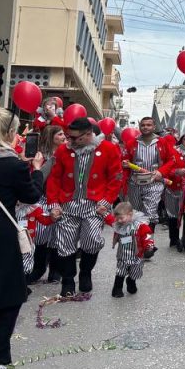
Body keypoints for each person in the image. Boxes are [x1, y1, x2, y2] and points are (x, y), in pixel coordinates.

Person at [0, 108, 46, 369]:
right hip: (0, 235)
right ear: (5, 131)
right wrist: (36, 171)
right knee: (9, 297)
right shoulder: (13, 165)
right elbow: (32, 196)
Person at [47, 116, 124, 297]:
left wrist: (106, 201)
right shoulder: (63, 151)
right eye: (68, 137)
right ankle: (67, 279)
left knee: (92, 242)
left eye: (74, 138)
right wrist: (54, 203)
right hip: (67, 204)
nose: (69, 141)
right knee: (64, 244)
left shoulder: (108, 149)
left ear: (88, 134)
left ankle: (85, 272)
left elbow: (116, 178)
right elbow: (54, 178)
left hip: (94, 205)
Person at [121, 116, 180, 244]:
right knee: (136, 212)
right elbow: (124, 159)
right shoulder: (132, 142)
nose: (146, 127)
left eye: (149, 125)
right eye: (143, 125)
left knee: (149, 212)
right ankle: (136, 241)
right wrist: (125, 163)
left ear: (154, 127)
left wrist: (161, 171)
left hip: (154, 181)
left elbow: (172, 160)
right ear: (139, 126)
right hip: (134, 182)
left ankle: (148, 243)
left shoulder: (162, 142)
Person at [30, 124, 65, 282]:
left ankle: (55, 271)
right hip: (43, 198)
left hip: (60, 199)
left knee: (58, 235)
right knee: (41, 235)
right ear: (51, 137)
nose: (63, 137)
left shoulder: (67, 154)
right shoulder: (40, 156)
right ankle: (39, 267)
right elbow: (39, 176)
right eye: (59, 134)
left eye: (64, 134)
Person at [104, 201, 153, 298]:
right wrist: (104, 213)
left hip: (137, 254)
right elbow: (110, 220)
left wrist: (149, 246)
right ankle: (117, 289)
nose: (119, 221)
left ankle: (131, 281)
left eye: (121, 218)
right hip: (123, 254)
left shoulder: (140, 225)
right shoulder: (118, 223)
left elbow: (147, 235)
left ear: (130, 215)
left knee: (135, 271)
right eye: (118, 218)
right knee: (120, 271)